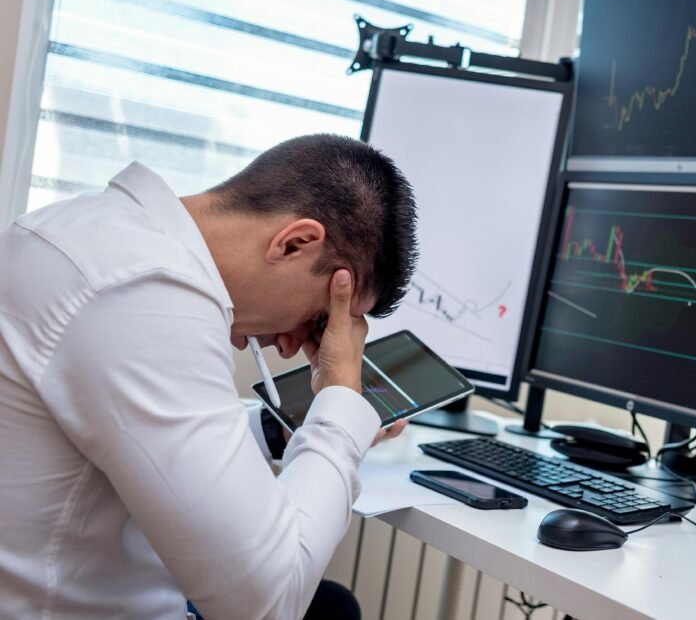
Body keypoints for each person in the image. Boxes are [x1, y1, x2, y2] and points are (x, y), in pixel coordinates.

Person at [0, 134, 417, 619]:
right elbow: (267, 603)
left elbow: (134, 431)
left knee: (332, 606)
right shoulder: (146, 294)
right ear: (295, 243)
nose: (289, 345)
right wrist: (341, 401)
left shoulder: (91, 230)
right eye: (321, 318)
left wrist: (276, 431)